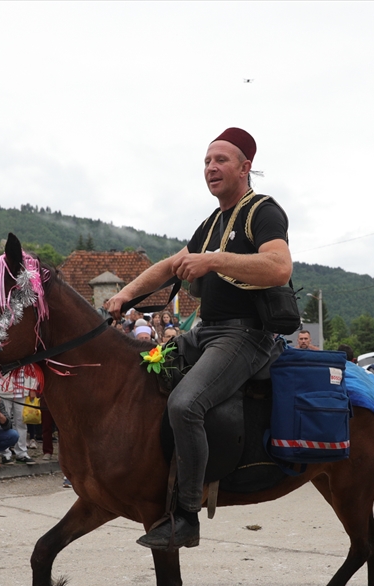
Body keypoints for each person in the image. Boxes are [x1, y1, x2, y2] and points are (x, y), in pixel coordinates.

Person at [103, 127, 290, 550]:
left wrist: (213, 261)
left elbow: (279, 268)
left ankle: (186, 515)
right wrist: (125, 295)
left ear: (245, 167)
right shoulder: (211, 224)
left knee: (185, 404)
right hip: (205, 332)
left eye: (221, 160)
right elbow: (170, 266)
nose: (211, 168)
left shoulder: (262, 211)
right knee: (144, 370)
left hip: (246, 335)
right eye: (206, 161)